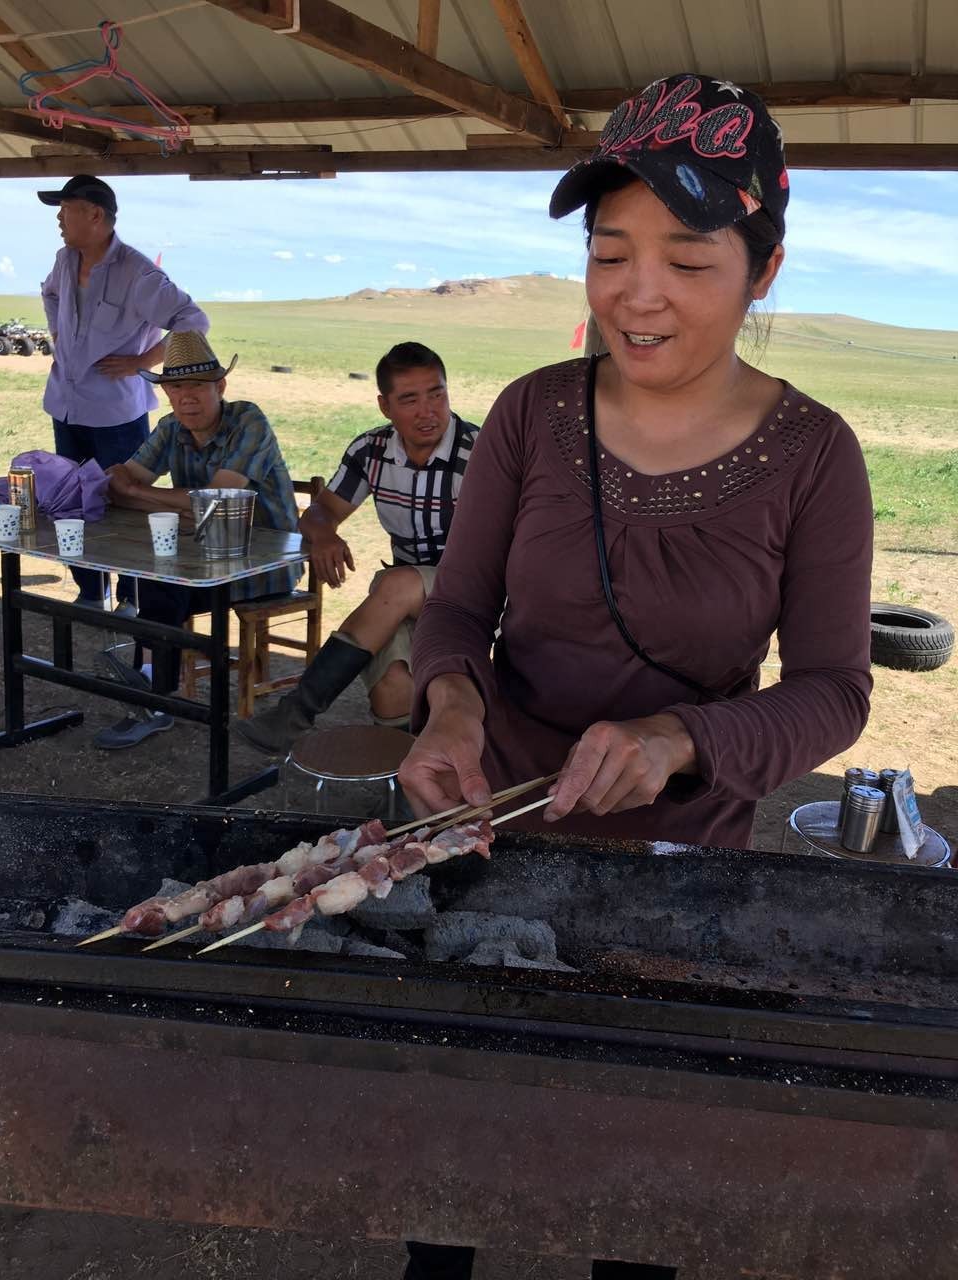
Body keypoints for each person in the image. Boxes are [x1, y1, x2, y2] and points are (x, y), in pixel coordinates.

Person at [396, 70, 874, 1280]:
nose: (638, 293)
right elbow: (458, 604)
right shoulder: (529, 413)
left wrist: (678, 739)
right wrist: (452, 702)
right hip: (493, 822)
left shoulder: (815, 456)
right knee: (461, 1138)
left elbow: (834, 687)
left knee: (633, 1168)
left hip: (682, 858)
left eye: (689, 258)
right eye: (611, 252)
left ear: (763, 269)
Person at [235, 342, 479, 756]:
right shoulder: (372, 450)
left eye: (437, 394)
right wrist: (325, 534)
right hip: (407, 593)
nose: (428, 411)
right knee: (392, 683)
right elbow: (319, 512)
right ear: (385, 406)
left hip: (476, 591)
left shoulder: (478, 452)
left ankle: (296, 712)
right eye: (410, 399)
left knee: (397, 583)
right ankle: (403, 798)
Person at [94, 330, 302, 749]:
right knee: (155, 572)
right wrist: (149, 494)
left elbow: (216, 502)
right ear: (165, 392)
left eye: (197, 386)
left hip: (263, 565)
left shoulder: (249, 421)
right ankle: (156, 692)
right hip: (200, 559)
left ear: (220, 386)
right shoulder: (171, 427)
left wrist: (142, 494)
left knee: (162, 580)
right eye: (175, 387)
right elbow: (120, 482)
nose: (186, 397)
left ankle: (155, 696)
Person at [38, 173, 209, 613]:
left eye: (66, 208)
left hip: (116, 412)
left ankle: (133, 596)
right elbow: (50, 293)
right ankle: (91, 591)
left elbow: (193, 322)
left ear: (95, 215)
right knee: (71, 499)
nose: (59, 218)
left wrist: (140, 363)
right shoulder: (64, 259)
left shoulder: (139, 273)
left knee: (126, 500)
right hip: (68, 404)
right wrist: (58, 330)